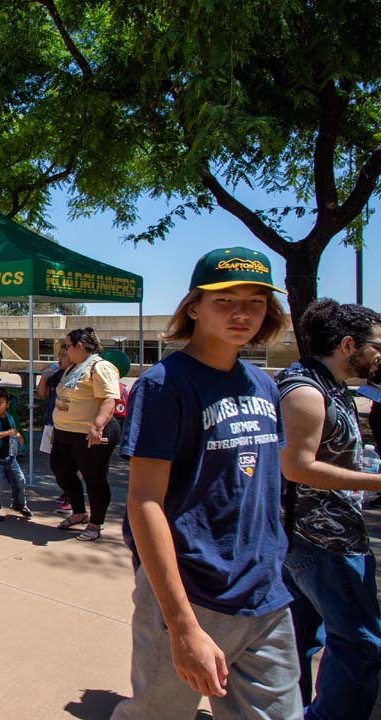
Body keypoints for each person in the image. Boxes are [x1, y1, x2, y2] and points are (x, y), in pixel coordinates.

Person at [111, 246, 299, 719]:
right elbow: (145, 503)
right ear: (193, 307)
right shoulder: (163, 386)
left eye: (255, 301)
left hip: (266, 596)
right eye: (225, 300)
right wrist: (181, 626)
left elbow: (261, 486)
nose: (242, 313)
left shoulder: (264, 385)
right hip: (191, 592)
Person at [276, 298, 381, 718]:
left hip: (323, 538)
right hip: (321, 542)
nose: (380, 354)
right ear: (348, 344)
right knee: (360, 645)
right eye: (377, 344)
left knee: (303, 638)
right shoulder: (304, 391)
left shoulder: (330, 383)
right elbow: (297, 467)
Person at [50, 327, 121, 542]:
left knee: (94, 479)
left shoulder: (100, 367)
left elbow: (109, 399)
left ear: (79, 346)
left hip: (90, 434)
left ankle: (95, 523)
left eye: (67, 346)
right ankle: (79, 512)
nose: (65, 350)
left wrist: (97, 426)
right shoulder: (73, 367)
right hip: (65, 432)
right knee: (61, 470)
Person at [0, 386, 30, 521]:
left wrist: (19, 436)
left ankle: (19, 504)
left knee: (20, 480)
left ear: (7, 404)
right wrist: (7, 433)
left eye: (0, 403)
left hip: (10, 456)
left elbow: (14, 430)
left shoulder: (9, 417)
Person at [37, 346, 72, 515]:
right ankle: (67, 490)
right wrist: (44, 378)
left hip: (70, 425)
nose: (60, 359)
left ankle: (72, 496)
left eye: (64, 356)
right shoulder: (56, 374)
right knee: (56, 461)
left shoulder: (76, 376)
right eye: (59, 355)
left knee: (71, 462)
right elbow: (42, 394)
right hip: (52, 422)